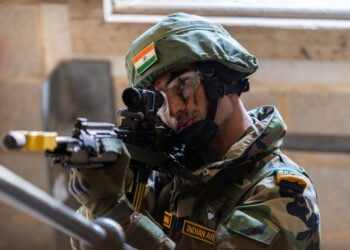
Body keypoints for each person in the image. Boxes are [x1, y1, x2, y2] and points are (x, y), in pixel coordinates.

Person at [68, 12, 320, 249]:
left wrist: (115, 211)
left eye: (183, 84)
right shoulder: (170, 177)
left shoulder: (282, 192)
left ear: (226, 79)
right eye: (159, 99)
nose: (174, 108)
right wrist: (103, 197)